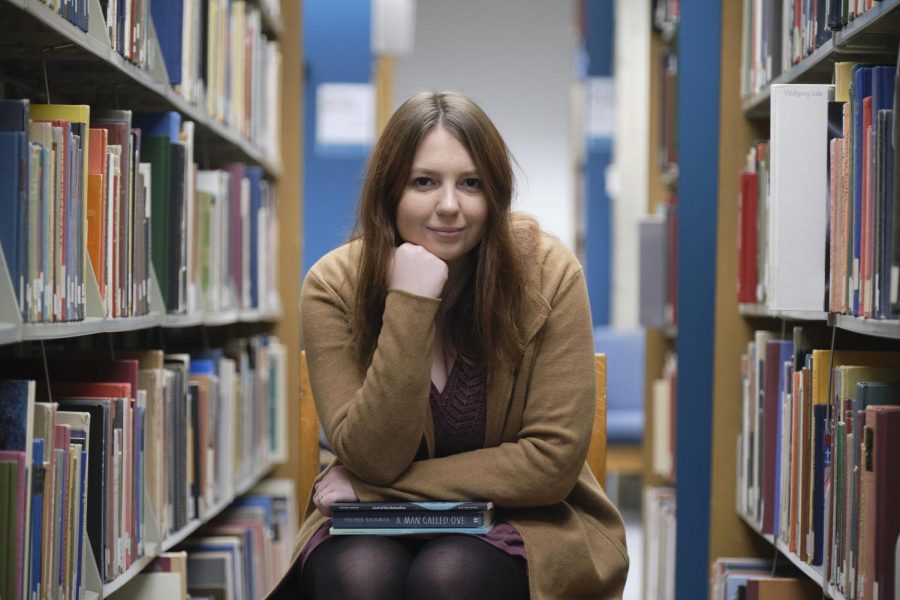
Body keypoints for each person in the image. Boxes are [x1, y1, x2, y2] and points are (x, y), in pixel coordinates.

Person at [267, 91, 629, 600]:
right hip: (368, 522)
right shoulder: (333, 285)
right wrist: (411, 301)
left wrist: (376, 488)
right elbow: (372, 455)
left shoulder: (549, 274)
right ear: (388, 192)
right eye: (424, 182)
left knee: (448, 578)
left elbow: (549, 465)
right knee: (360, 579)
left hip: (524, 522)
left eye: (471, 183)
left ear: (495, 194)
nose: (449, 206)